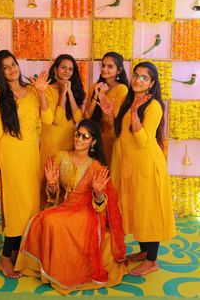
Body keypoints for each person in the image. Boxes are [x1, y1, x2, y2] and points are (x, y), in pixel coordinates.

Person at [15, 119, 127, 294]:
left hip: (86, 212)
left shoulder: (96, 166)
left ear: (93, 142)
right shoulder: (61, 157)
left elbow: (101, 205)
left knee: (54, 222)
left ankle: (61, 274)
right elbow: (52, 195)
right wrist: (52, 184)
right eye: (77, 134)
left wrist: (98, 192)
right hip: (64, 206)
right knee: (39, 219)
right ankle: (43, 268)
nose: (79, 139)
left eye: (85, 136)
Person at [0, 50, 50, 278]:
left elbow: (48, 119)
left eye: (13, 63)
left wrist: (42, 94)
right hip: (10, 157)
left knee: (31, 206)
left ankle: (17, 252)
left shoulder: (32, 91)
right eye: (5, 66)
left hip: (32, 155)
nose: (12, 68)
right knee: (15, 207)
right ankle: (5, 257)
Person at [108, 61, 176, 276]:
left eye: (143, 77)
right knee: (136, 207)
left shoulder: (153, 105)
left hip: (146, 164)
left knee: (148, 210)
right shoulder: (130, 100)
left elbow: (144, 140)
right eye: (136, 75)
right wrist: (111, 114)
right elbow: (122, 133)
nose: (137, 80)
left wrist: (136, 113)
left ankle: (152, 260)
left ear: (152, 83)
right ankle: (144, 251)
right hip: (130, 164)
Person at [40, 54, 85, 205]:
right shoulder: (47, 90)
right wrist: (63, 93)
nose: (67, 71)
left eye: (71, 69)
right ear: (55, 69)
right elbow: (57, 120)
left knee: (66, 184)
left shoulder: (74, 89)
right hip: (51, 144)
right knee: (49, 183)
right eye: (63, 67)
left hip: (68, 144)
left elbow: (78, 118)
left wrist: (70, 91)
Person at [85, 52, 128, 166]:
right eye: (103, 65)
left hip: (111, 140)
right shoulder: (95, 86)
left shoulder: (122, 89)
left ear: (119, 70)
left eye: (110, 66)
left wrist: (103, 97)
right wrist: (96, 95)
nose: (104, 69)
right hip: (93, 138)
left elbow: (112, 123)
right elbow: (87, 116)